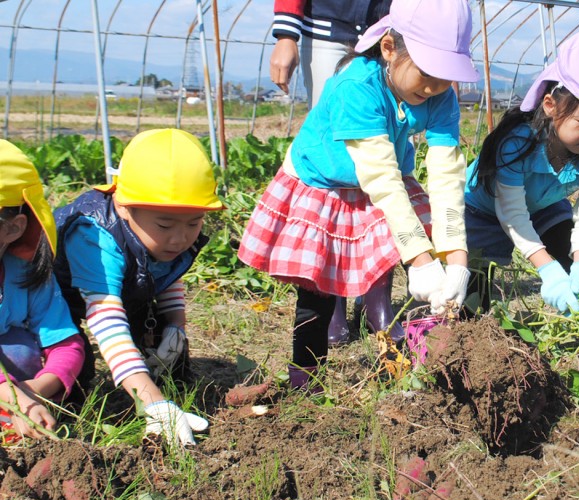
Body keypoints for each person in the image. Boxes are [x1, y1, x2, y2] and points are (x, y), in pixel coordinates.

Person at [239, 0, 478, 390]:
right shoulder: (357, 87)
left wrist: (456, 258)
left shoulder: (441, 95)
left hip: (382, 179)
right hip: (325, 183)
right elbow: (380, 176)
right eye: (428, 72)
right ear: (389, 48)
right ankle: (306, 381)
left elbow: (447, 174)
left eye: (446, 75)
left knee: (425, 253)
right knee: (317, 288)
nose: (435, 86)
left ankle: (416, 365)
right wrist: (419, 259)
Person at [53, 128, 222, 447]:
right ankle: (70, 421)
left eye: (194, 223)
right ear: (125, 206)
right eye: (165, 225)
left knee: (163, 341)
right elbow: (106, 320)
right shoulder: (93, 237)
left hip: (131, 285)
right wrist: (151, 399)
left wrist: (176, 324)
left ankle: (167, 390)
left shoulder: (167, 237)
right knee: (74, 364)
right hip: (57, 301)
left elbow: (166, 272)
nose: (180, 238)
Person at [463, 31, 579, 315]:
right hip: (482, 211)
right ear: (550, 105)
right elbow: (512, 214)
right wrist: (548, 270)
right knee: (472, 306)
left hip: (543, 207)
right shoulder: (517, 144)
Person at [271, 0, 402, 345]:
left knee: (387, 159)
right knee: (336, 164)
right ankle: (333, 300)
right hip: (329, 25)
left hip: (395, 28)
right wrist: (287, 33)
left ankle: (376, 299)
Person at [0, 140, 85, 441]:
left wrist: (32, 391)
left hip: (15, 389)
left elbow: (66, 345)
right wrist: (11, 396)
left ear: (12, 229)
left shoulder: (24, 274)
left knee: (21, 350)